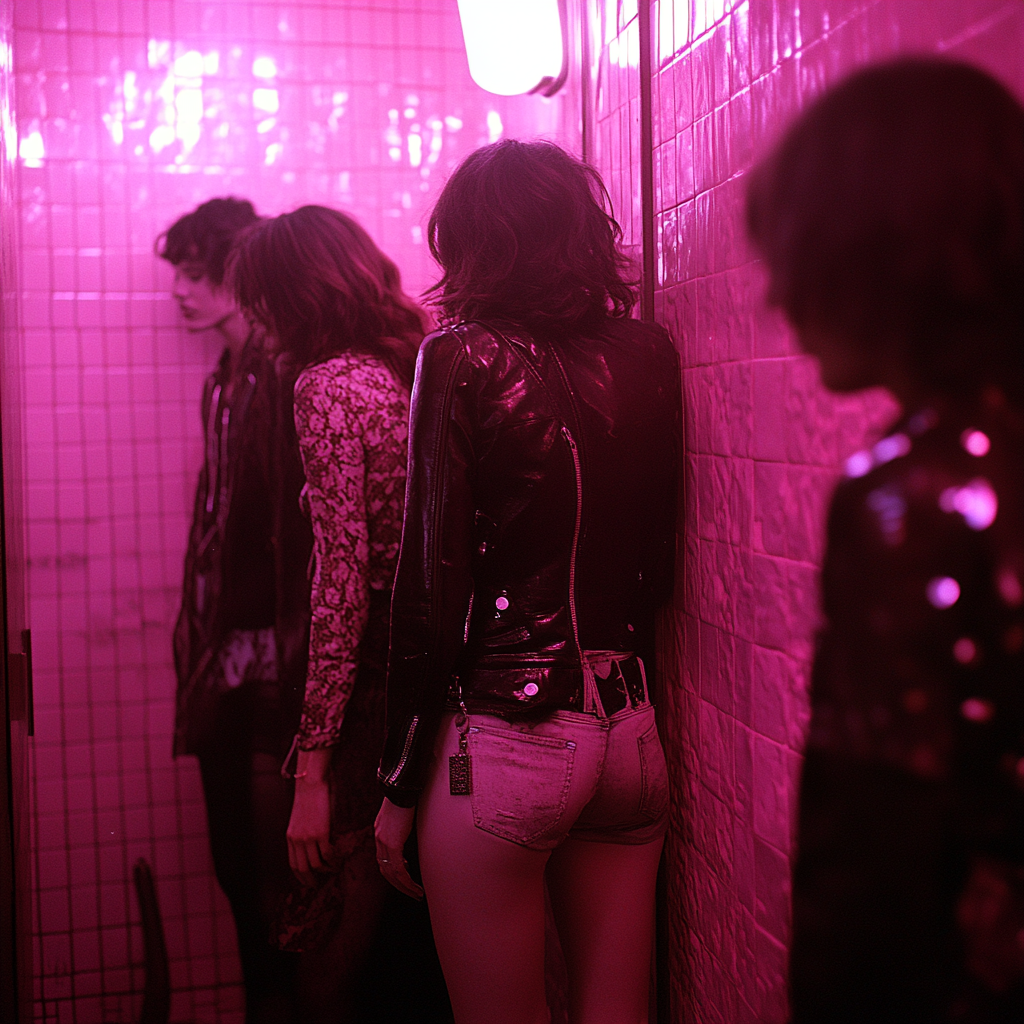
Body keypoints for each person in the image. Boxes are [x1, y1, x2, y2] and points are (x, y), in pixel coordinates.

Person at [374, 140, 681, 1024]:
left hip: (509, 735)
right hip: (629, 729)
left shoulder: (457, 356)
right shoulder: (650, 351)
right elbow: (652, 561)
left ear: (469, 244)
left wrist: (396, 783)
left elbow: (429, 585)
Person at [746, 57, 1024, 1022]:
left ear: (875, 252)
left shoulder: (910, 493)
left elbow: (875, 852)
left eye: (796, 249)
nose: (777, 295)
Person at [230, 205, 449, 1023]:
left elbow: (343, 581)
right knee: (420, 933)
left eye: (260, 298)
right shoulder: (422, 358)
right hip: (447, 671)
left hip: (375, 690)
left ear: (292, 296)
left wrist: (312, 769)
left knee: (328, 931)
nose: (254, 317)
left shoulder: (325, 385)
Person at [159, 197, 312, 1022]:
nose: (180, 291)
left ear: (235, 270)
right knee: (240, 874)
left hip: (270, 670)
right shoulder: (229, 380)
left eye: (194, 271)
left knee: (271, 887)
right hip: (230, 662)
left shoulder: (282, 376)